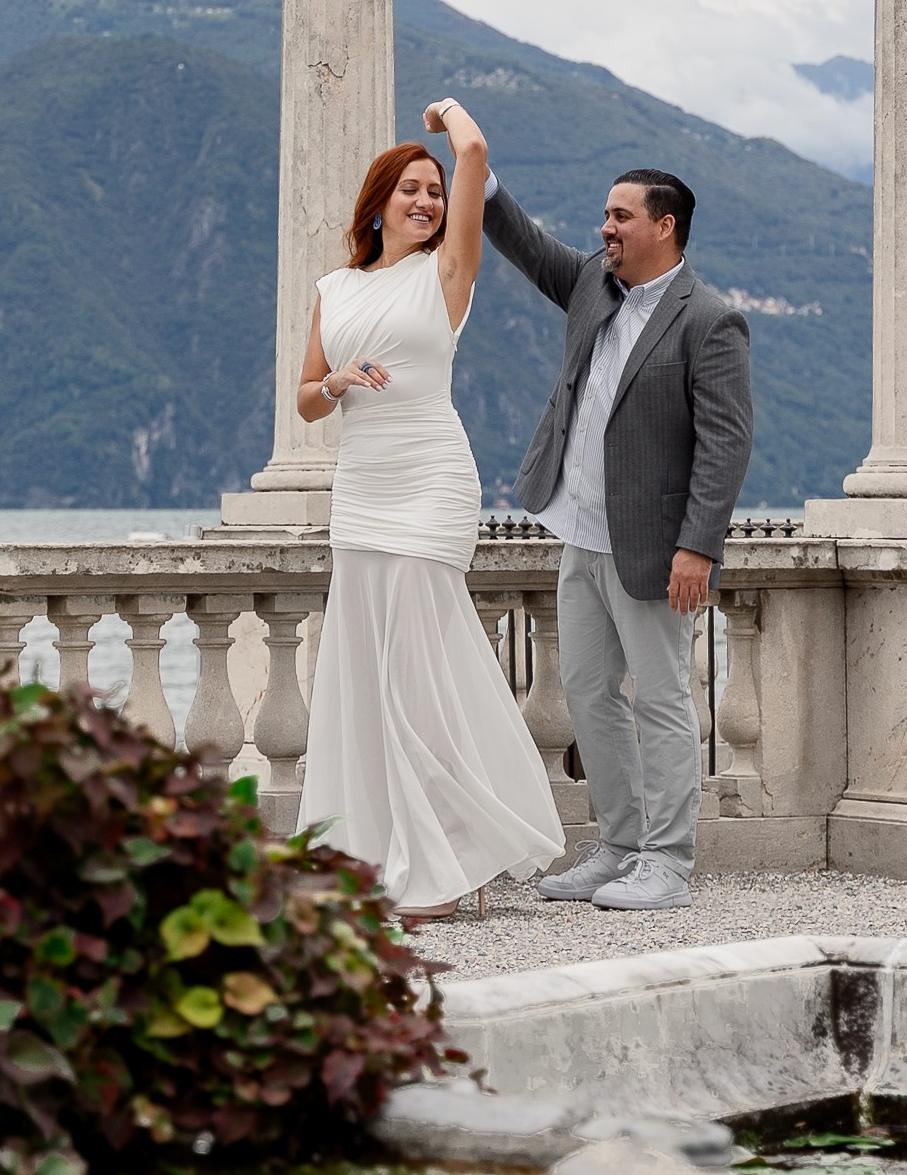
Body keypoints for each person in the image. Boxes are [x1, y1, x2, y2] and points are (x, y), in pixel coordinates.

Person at [294, 96, 563, 921]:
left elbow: (475, 152)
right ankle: (370, 855)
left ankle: (447, 861)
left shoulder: (448, 271)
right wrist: (335, 383)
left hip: (430, 483)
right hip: (363, 489)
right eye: (410, 188)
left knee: (416, 674)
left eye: (434, 191)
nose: (426, 200)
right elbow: (305, 400)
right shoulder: (334, 288)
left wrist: (448, 115)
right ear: (377, 204)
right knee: (364, 677)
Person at [482, 163, 753, 913]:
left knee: (663, 700)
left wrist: (697, 547)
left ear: (664, 227)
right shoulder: (592, 285)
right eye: (605, 214)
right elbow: (528, 244)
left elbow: (725, 445)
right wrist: (480, 174)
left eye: (620, 216)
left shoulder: (710, 319)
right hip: (581, 535)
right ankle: (619, 850)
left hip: (655, 549)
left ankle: (667, 863)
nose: (606, 227)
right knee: (586, 692)